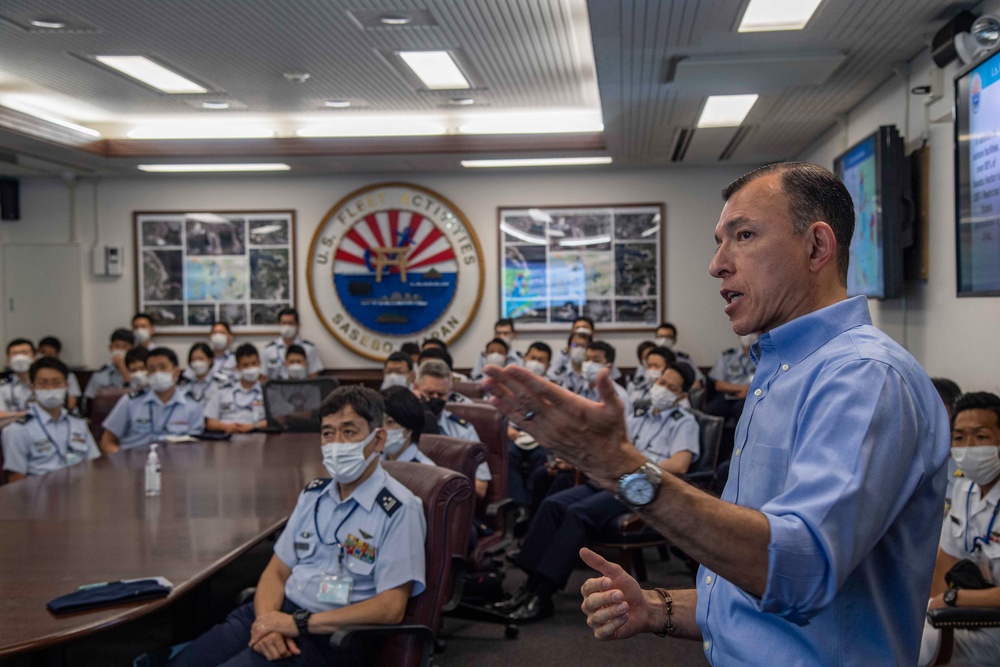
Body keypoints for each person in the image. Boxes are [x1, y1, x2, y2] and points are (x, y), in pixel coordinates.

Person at [483, 162, 950, 664]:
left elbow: (800, 570)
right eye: (719, 241)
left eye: (743, 235)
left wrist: (619, 466)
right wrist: (658, 606)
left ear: (817, 246)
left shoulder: (862, 377)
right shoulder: (779, 370)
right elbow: (753, 578)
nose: (717, 264)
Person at [167, 386, 426, 667]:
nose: (336, 443)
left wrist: (299, 624)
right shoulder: (313, 495)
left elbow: (391, 608)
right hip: (276, 614)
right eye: (328, 433)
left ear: (378, 440)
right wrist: (267, 623)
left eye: (349, 432)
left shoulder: (400, 508)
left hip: (332, 636)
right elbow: (277, 572)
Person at [497, 361, 701, 623]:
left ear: (682, 396)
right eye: (661, 382)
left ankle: (542, 595)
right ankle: (528, 587)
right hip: (613, 477)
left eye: (670, 387)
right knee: (554, 504)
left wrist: (635, 466)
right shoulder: (640, 413)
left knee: (578, 513)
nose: (661, 388)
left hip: (641, 486)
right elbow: (618, 444)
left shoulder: (685, 422)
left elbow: (680, 464)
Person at [919, 392, 1000, 667]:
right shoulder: (964, 491)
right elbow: (945, 563)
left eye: (981, 437)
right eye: (959, 438)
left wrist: (954, 599)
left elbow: (948, 595)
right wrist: (931, 613)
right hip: (960, 621)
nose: (969, 447)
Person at [1, 357, 100, 481]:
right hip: (39, 496)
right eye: (43, 383)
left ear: (66, 385)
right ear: (32, 388)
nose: (50, 388)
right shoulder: (17, 430)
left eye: (56, 382)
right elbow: (16, 480)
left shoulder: (78, 423)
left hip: (80, 491)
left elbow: (94, 464)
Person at [100, 347, 205, 453]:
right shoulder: (130, 401)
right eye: (152, 369)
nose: (157, 373)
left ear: (176, 372)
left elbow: (196, 448)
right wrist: (122, 464)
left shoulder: (193, 405)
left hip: (176, 465)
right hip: (134, 464)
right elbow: (107, 442)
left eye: (163, 367)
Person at [415, 359, 490, 498]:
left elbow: (481, 487)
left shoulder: (463, 431)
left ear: (449, 393)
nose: (435, 399)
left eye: (441, 394)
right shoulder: (403, 427)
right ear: (416, 388)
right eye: (429, 394)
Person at [204, 343, 267, 433]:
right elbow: (210, 423)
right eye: (245, 365)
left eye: (254, 364)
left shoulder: (268, 392)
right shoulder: (223, 391)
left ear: (260, 364)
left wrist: (253, 426)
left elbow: (276, 421)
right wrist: (225, 426)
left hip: (256, 436)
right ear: (237, 368)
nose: (250, 368)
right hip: (226, 437)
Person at [702, 333, 758, 423]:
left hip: (752, 397)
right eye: (746, 333)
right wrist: (742, 389)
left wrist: (749, 392)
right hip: (728, 396)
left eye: (752, 333)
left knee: (742, 411)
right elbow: (719, 385)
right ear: (739, 335)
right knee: (710, 411)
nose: (748, 336)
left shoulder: (764, 356)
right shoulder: (727, 355)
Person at [380, 385, 436, 465]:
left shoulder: (427, 471)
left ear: (410, 427)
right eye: (379, 422)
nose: (382, 429)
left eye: (390, 422)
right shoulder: (372, 463)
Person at [262, 307, 323, 379]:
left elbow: (313, 377)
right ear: (279, 324)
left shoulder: (309, 349)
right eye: (284, 323)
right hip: (277, 389)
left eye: (290, 323)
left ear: (298, 325)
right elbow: (263, 378)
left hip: (302, 388)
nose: (287, 327)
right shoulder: (269, 350)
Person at [83, 328, 136, 410]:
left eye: (124, 346)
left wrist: (123, 368)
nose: (120, 350)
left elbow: (135, 394)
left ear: (132, 349)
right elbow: (89, 401)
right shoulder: (100, 374)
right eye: (117, 346)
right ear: (110, 348)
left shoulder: (138, 373)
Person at [37, 336, 82, 412]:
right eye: (43, 353)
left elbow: (72, 403)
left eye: (50, 354)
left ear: (57, 355)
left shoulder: (68, 375)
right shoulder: (34, 374)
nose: (46, 358)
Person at [654, 322, 705, 387]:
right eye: (661, 337)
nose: (664, 340)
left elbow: (697, 382)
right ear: (656, 338)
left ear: (675, 340)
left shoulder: (684, 359)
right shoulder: (649, 358)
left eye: (668, 337)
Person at [0, 338, 37, 418]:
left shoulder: (45, 382)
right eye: (15, 354)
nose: (20, 358)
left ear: (34, 357)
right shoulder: (2, 384)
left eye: (24, 353)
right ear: (8, 360)